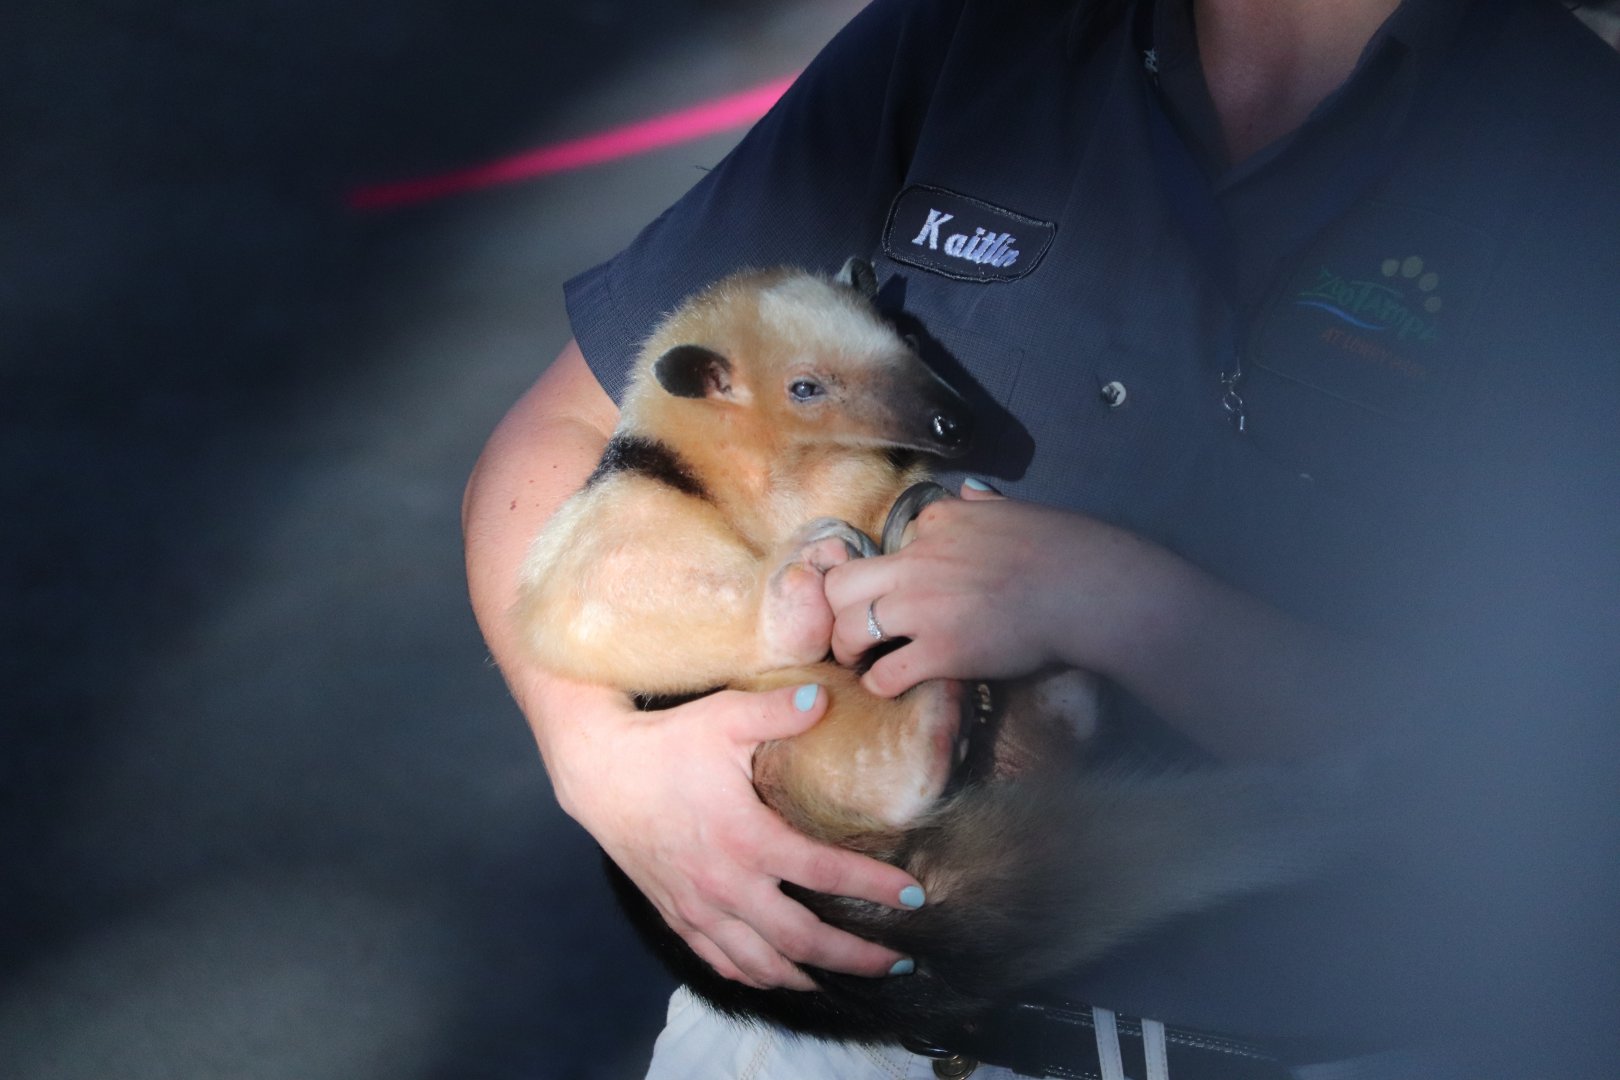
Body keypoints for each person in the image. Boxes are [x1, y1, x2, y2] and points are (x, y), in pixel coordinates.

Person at [463, 0, 1620, 1076]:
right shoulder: (975, 34)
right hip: (808, 1040)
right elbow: (564, 429)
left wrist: (1128, 605)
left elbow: (1529, 786)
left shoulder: (1569, 155)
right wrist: (604, 762)